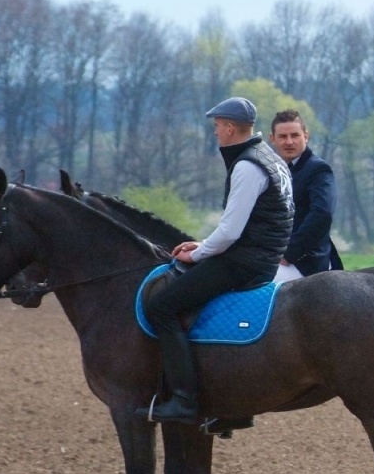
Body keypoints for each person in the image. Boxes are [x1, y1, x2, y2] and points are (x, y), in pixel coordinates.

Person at [141, 97, 293, 423]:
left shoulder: (247, 166)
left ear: (229, 127)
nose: (215, 133)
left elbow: (230, 232)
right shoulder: (269, 156)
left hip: (245, 263)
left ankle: (184, 400)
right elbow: (250, 224)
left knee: (161, 307)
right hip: (261, 256)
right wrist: (203, 244)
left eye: (217, 127)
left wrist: (197, 253)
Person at [270, 109, 343, 279]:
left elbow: (322, 214)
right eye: (282, 136)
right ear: (272, 139)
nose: (289, 142)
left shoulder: (318, 170)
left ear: (306, 136)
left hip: (305, 262)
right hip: (272, 255)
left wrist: (290, 253)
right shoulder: (271, 170)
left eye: (295, 135)